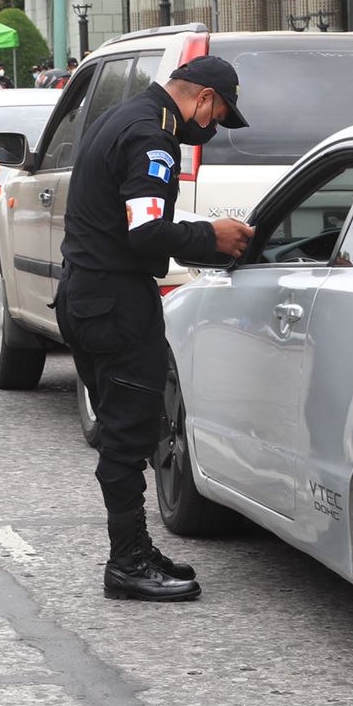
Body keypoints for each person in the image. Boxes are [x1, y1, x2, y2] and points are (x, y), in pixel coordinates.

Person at [57, 55, 255, 603]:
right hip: (115, 301)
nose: (211, 131)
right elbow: (146, 233)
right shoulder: (154, 138)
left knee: (125, 429)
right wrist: (209, 236)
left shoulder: (122, 117)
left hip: (85, 293)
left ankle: (135, 548)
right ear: (204, 100)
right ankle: (127, 562)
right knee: (128, 436)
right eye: (217, 118)